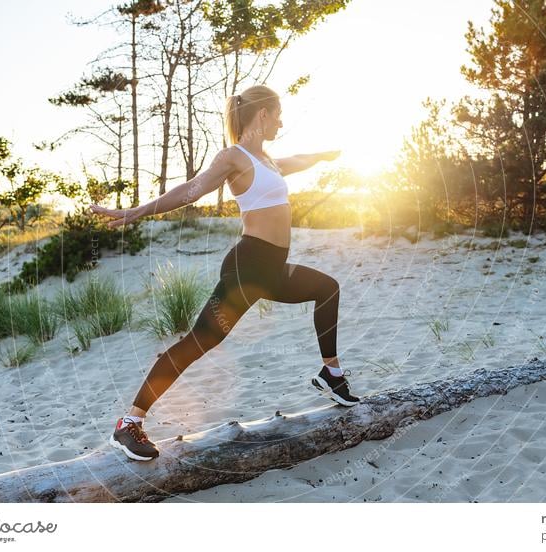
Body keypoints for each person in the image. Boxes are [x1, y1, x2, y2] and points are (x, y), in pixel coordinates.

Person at [90, 84, 360, 462]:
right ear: (262, 114)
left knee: (327, 288)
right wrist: (136, 211)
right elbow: (190, 192)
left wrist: (326, 155)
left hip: (274, 269)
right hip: (247, 269)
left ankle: (331, 375)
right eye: (278, 114)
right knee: (198, 342)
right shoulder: (233, 157)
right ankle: (129, 423)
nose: (281, 122)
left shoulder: (267, 160)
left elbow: (297, 159)